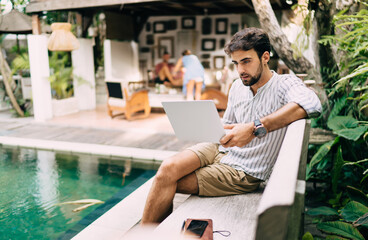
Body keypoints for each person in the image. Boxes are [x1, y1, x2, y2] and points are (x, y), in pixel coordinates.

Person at [141, 27, 322, 224]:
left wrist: (255, 128)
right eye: (236, 63)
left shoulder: (284, 84)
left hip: (246, 170)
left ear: (265, 57)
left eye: (246, 61)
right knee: (167, 169)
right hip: (221, 148)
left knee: (169, 182)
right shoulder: (237, 86)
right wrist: (208, 124)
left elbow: (312, 104)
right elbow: (228, 123)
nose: (240, 70)